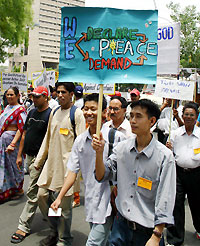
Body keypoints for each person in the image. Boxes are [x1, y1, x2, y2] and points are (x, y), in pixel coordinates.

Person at [92, 99, 176, 246]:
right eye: (131, 116)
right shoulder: (122, 149)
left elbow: (166, 197)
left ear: (152, 121)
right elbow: (102, 175)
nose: (132, 120)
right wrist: (99, 154)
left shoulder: (164, 156)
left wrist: (156, 235)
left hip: (148, 232)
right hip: (120, 226)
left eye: (138, 116)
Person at [51, 93, 125, 246]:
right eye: (86, 109)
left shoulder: (116, 138)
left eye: (93, 109)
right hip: (91, 201)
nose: (89, 113)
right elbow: (73, 171)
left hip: (110, 203)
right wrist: (60, 197)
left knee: (93, 243)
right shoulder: (80, 141)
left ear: (105, 112)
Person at [34, 82, 85, 246]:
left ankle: (64, 239)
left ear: (71, 94)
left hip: (68, 168)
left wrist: (79, 173)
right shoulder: (54, 112)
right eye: (58, 92)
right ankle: (54, 229)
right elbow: (47, 139)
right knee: (41, 196)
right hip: (51, 165)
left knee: (65, 208)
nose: (60, 95)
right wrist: (39, 160)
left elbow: (82, 144)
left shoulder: (77, 114)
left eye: (64, 92)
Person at [10, 86, 52, 244]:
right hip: (30, 157)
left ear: (45, 97)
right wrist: (19, 154)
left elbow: (50, 140)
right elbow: (24, 133)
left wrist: (43, 161)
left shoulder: (50, 115)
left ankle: (23, 226)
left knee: (33, 192)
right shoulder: (32, 112)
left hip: (42, 160)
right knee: (45, 193)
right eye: (32, 96)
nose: (33, 99)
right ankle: (54, 218)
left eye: (37, 97)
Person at [166, 102, 200, 245]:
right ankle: (175, 238)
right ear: (182, 115)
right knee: (176, 205)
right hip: (178, 173)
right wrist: (168, 147)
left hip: (196, 174)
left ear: (196, 116)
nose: (188, 117)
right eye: (186, 114)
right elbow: (168, 154)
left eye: (192, 115)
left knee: (197, 204)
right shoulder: (174, 134)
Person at [0, 87, 26, 202]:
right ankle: (7, 189)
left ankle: (18, 189)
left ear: (17, 96)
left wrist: (13, 143)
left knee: (15, 166)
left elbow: (21, 129)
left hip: (12, 144)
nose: (9, 97)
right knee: (5, 167)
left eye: (12, 95)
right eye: (8, 95)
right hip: (3, 143)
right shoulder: (6, 108)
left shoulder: (20, 109)